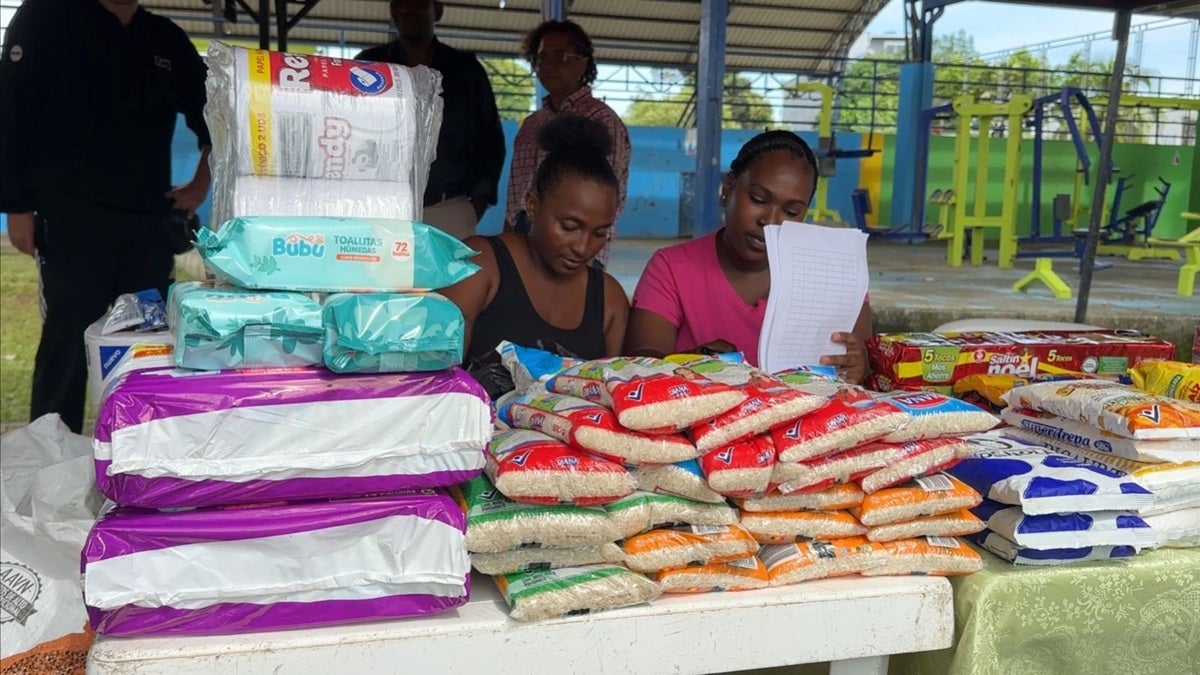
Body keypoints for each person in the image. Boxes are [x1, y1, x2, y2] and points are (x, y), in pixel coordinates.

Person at [0, 0, 212, 433]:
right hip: (70, 217)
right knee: (66, 344)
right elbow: (10, 110)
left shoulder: (165, 39)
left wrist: (201, 182)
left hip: (147, 224)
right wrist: (16, 206)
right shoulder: (45, 17)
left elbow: (215, 117)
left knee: (145, 346)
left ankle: (136, 453)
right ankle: (49, 456)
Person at [623, 130, 872, 384]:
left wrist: (858, 368)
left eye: (791, 211)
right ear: (728, 188)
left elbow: (861, 366)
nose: (770, 221)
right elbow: (641, 366)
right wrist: (696, 361)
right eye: (758, 199)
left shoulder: (836, 276)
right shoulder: (671, 269)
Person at [441, 115, 629, 397]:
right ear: (532, 205)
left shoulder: (609, 299)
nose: (583, 247)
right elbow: (436, 373)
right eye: (569, 227)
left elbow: (613, 395)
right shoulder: (482, 266)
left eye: (599, 233)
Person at [357, 0, 505, 240]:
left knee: (454, 280)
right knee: (385, 279)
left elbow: (490, 139)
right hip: (382, 209)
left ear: (437, 11)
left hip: (448, 210)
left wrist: (478, 202)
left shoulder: (465, 70)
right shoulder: (369, 65)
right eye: (398, 4)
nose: (406, 9)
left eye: (417, 3)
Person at [504, 19, 630, 270]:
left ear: (582, 62)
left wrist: (587, 248)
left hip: (574, 243)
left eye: (559, 56)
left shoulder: (601, 120)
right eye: (541, 57)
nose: (548, 65)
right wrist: (508, 236)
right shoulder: (532, 124)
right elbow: (515, 193)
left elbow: (609, 194)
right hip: (522, 235)